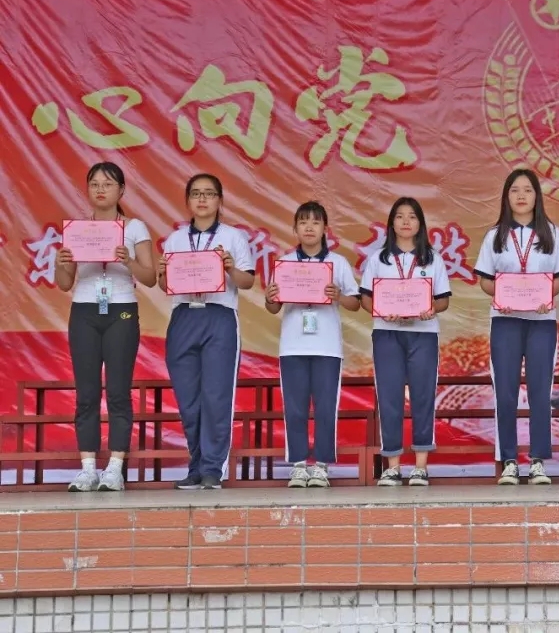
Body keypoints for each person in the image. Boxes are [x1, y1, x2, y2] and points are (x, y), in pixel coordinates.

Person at [55, 162, 156, 492]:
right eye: (95, 184)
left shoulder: (135, 227)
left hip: (121, 310)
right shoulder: (77, 230)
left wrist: (128, 260)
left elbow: (150, 278)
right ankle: (87, 468)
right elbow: (64, 283)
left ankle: (114, 468)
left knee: (117, 391)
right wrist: (61, 264)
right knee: (86, 393)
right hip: (84, 310)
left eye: (108, 184)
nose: (101, 189)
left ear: (121, 190)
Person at [158, 173, 255, 490]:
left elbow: (247, 281)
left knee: (216, 396)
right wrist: (163, 274)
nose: (202, 199)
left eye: (209, 193)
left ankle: (213, 467)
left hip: (219, 317)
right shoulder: (174, 239)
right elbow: (164, 284)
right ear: (187, 200)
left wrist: (229, 268)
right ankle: (196, 466)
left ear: (220, 200)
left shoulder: (234, 237)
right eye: (196, 193)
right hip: (184, 316)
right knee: (188, 400)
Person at [474, 169, 559, 485]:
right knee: (506, 393)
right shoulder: (495, 235)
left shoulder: (552, 234)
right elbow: (485, 280)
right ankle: (510, 460)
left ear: (537, 196)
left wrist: (546, 296)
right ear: (506, 197)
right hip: (505, 322)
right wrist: (501, 295)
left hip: (542, 322)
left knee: (540, 392)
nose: (522, 196)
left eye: (528, 190)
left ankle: (538, 461)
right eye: (515, 190)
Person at [264, 202, 361, 488]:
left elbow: (355, 303)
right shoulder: (284, 264)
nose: (309, 227)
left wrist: (338, 295)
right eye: (303, 222)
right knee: (294, 408)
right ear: (295, 229)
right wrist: (270, 297)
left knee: (325, 408)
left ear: (325, 229)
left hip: (327, 346)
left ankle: (320, 466)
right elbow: (273, 307)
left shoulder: (338, 263)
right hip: (292, 346)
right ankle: (297, 466)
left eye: (315, 222)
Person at [360, 197, 451, 486]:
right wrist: (380, 310)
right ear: (391, 223)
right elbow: (365, 298)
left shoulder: (432, 259)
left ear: (420, 224)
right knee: (390, 397)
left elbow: (443, 300)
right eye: (400, 216)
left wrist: (430, 308)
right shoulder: (378, 259)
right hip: (387, 333)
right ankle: (393, 466)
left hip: (423, 333)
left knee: (423, 396)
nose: (406, 221)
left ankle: (420, 467)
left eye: (412, 216)